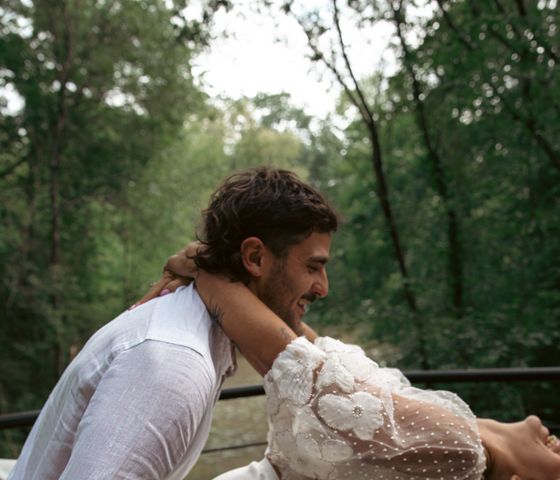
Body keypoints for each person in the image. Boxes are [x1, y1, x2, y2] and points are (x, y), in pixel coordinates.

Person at [8, 167, 339, 479]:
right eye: (312, 267)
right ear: (254, 258)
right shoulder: (173, 366)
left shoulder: (190, 329)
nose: (323, 288)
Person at [173, 271, 560, 480]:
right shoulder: (464, 433)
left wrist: (211, 278)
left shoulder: (462, 454)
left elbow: (300, 370)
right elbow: (330, 368)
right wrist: (242, 283)